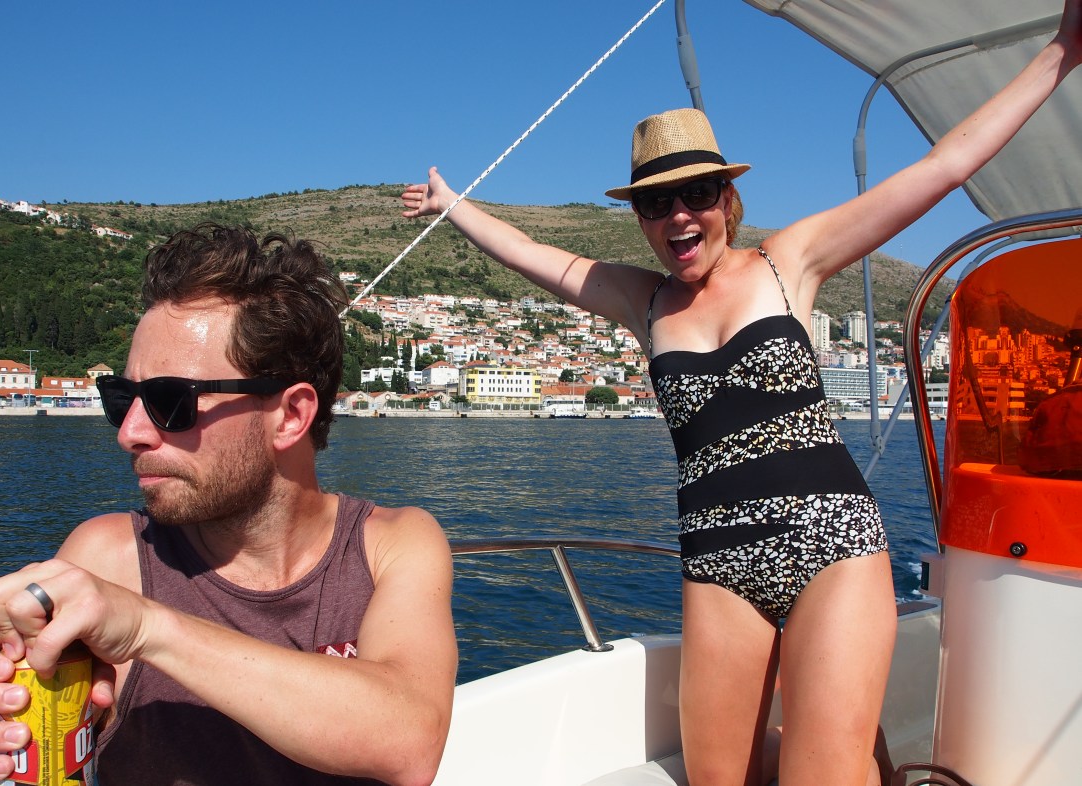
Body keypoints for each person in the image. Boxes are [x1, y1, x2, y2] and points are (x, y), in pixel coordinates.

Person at [400, 3, 1081, 783]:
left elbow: (943, 167)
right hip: (717, 562)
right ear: (640, 219)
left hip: (832, 542)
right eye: (655, 202)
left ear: (726, 198)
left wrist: (1062, 51)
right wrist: (452, 206)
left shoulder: (789, 262)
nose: (677, 215)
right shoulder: (643, 301)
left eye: (695, 192)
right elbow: (531, 252)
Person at [0, 223, 458, 786]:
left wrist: (146, 628)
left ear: (291, 415)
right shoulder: (109, 561)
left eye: (170, 400)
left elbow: (410, 741)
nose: (130, 433)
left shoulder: (390, 544)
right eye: (122, 398)